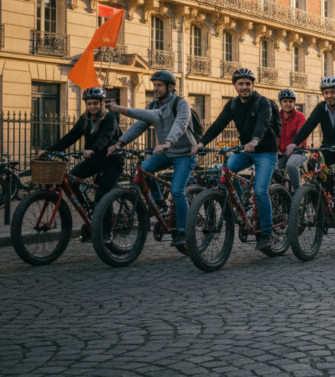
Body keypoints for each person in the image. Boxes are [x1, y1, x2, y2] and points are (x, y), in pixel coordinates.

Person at [192, 68, 280, 251]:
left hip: (265, 151)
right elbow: (218, 124)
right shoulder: (232, 105)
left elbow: (263, 122)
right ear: (235, 86)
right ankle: (242, 206)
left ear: (253, 85)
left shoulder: (262, 102)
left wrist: (255, 140)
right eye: (241, 84)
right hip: (246, 151)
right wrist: (201, 143)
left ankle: (266, 233)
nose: (244, 87)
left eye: (248, 83)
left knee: (260, 191)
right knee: (225, 174)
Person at [107, 71, 197, 248]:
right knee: (143, 171)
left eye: (159, 85)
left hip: (184, 153)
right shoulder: (154, 104)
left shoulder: (181, 103)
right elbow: (141, 124)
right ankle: (160, 203)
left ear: (170, 87)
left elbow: (181, 123)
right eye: (154, 85)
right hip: (166, 152)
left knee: (177, 191)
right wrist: (119, 143)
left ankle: (184, 232)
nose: (155, 88)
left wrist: (168, 142)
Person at [42, 87, 124, 241]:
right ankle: (89, 210)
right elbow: (70, 137)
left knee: (102, 194)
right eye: (89, 104)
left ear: (101, 103)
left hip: (112, 161)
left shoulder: (110, 118)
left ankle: (106, 232)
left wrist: (92, 149)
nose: (92, 106)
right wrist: (48, 151)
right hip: (94, 160)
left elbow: (106, 137)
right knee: (71, 180)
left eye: (95, 103)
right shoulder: (85, 119)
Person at [285, 76, 335, 238]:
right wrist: (294, 143)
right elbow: (308, 126)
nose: (329, 95)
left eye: (333, 92)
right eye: (326, 93)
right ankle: (326, 203)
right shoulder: (320, 108)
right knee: (315, 171)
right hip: (329, 148)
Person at [276, 89, 307, 194]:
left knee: (291, 165)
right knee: (271, 167)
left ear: (294, 103)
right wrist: (275, 149)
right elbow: (272, 134)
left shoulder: (300, 116)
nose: (288, 104)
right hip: (281, 153)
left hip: (298, 151)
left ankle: (298, 193)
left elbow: (301, 134)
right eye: (285, 101)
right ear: (280, 102)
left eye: (290, 101)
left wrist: (294, 145)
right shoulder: (276, 117)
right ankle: (278, 193)